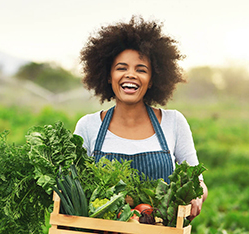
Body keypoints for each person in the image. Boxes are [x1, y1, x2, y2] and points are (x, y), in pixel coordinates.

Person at [74, 16, 208, 220]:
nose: (131, 75)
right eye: (121, 68)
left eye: (141, 70)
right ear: (108, 76)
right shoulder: (88, 126)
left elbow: (197, 181)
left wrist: (197, 196)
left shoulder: (174, 122)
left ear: (153, 80)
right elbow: (71, 186)